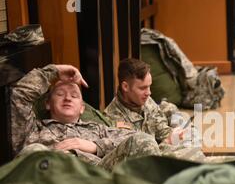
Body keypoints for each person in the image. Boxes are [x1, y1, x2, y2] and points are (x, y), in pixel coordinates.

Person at [10, 64, 164, 171]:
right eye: (60, 94)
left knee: (144, 141)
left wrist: (96, 146)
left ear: (82, 107)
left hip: (98, 179)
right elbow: (19, 95)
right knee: (34, 151)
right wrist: (55, 71)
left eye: (74, 95)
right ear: (48, 104)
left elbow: (137, 137)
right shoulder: (32, 129)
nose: (68, 98)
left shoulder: (97, 129)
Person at [104, 58, 202, 153]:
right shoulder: (112, 119)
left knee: (191, 136)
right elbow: (141, 159)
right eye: (143, 88)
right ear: (125, 86)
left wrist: (178, 135)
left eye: (149, 86)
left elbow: (162, 130)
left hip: (162, 148)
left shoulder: (145, 100)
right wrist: (168, 142)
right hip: (146, 164)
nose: (149, 93)